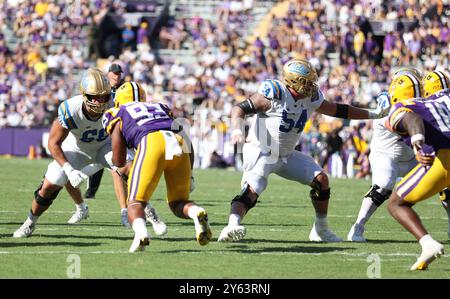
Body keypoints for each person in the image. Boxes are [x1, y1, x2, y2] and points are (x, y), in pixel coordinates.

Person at [217, 58, 390, 243]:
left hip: (286, 154)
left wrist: (373, 114)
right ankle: (231, 226)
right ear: (293, 81)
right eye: (306, 81)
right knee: (253, 189)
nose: (310, 85)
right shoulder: (275, 93)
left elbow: (338, 110)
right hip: (262, 150)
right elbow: (239, 109)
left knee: (321, 180)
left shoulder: (311, 97)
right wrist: (237, 129)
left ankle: (320, 229)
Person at [102, 81, 211, 252]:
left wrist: (115, 160)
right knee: (178, 203)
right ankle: (196, 212)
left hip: (151, 142)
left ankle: (141, 234)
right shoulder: (160, 107)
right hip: (179, 142)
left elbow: (119, 160)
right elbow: (185, 138)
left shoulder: (116, 112)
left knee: (135, 202)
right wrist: (190, 174)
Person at [13, 68, 122, 238]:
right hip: (78, 148)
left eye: (105, 96)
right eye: (96, 96)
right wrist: (69, 169)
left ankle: (140, 214)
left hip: (105, 145)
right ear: (85, 94)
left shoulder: (116, 102)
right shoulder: (71, 108)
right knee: (50, 184)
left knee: (129, 168)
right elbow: (53, 143)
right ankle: (30, 222)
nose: (101, 101)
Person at [348, 69, 450, 242]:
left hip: (412, 157)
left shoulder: (422, 102)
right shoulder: (390, 105)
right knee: (384, 185)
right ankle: (357, 227)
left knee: (444, 182)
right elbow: (407, 122)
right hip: (386, 154)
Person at [386, 73, 450, 270]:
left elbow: (411, 118)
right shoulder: (443, 97)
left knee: (396, 203)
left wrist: (416, 143)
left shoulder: (400, 107)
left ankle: (428, 244)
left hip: (446, 156)